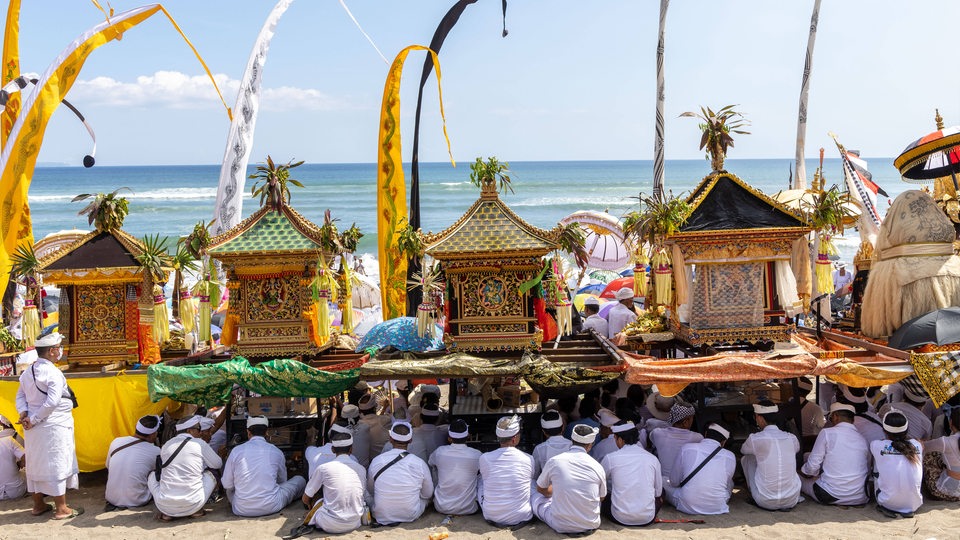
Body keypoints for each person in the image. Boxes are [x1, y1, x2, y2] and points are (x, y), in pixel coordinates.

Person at [15, 332, 81, 520]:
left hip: (34, 427)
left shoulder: (29, 371)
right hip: (52, 426)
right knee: (56, 463)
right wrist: (33, 418)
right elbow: (52, 402)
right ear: (52, 351)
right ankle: (61, 508)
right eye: (59, 348)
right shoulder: (53, 372)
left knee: (36, 464)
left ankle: (38, 505)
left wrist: (24, 414)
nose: (60, 351)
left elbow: (20, 396)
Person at [221, 416, 306, 517]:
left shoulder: (236, 451)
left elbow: (227, 484)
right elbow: (282, 481)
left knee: (229, 490)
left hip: (241, 509)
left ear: (248, 432)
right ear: (266, 432)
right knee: (300, 480)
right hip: (271, 506)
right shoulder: (276, 451)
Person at [532, 424, 607, 534]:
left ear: (572, 440)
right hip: (590, 523)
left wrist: (554, 492)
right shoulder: (597, 466)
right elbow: (601, 497)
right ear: (590, 445)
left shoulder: (555, 461)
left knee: (534, 494)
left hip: (560, 524)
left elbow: (540, 489)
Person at [148, 415, 223, 520]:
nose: (201, 432)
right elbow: (218, 464)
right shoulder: (199, 443)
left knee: (151, 475)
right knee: (212, 472)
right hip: (194, 504)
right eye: (198, 429)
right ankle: (196, 511)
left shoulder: (166, 445)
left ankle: (169, 513)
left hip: (164, 506)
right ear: (190, 430)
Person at [800, 402, 870, 506]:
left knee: (797, 478)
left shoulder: (827, 433)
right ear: (853, 420)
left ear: (836, 416)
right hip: (860, 497)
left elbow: (811, 469)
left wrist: (802, 472)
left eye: (830, 417)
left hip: (829, 495)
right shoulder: (863, 439)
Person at [302, 431, 371, 534]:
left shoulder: (323, 468)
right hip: (354, 523)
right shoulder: (361, 469)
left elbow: (306, 498)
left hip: (329, 524)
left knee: (317, 498)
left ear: (332, 449)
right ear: (351, 449)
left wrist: (309, 505)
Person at [367, 421, 433, 525]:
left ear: (390, 439)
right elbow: (428, 494)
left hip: (380, 515)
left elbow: (371, 490)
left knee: (367, 495)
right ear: (410, 440)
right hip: (410, 514)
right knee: (426, 499)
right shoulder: (419, 463)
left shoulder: (377, 461)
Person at [740, 402, 801, 511]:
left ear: (760, 418)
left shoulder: (756, 438)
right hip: (791, 499)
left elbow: (743, 450)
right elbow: (796, 450)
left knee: (748, 458)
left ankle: (753, 491)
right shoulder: (792, 438)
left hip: (764, 500)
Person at [664, 423, 736, 515]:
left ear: (705, 434)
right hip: (717, 505)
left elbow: (674, 482)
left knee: (663, 481)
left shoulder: (687, 448)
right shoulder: (730, 456)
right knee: (731, 483)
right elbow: (727, 484)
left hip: (688, 504)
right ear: (723, 442)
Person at [600, 420, 662, 526]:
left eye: (615, 438)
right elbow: (658, 493)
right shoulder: (652, 459)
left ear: (619, 439)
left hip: (619, 517)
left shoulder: (610, 458)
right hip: (647, 518)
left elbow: (598, 483)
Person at [477, 415, 535, 527]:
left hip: (492, 515)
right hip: (522, 515)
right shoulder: (528, 458)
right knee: (532, 483)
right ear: (514, 439)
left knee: (480, 481)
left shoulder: (484, 458)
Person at [871, 411, 923, 518]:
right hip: (914, 504)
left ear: (884, 430)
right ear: (907, 429)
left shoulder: (876, 445)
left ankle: (888, 501)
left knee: (879, 462)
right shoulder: (917, 445)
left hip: (887, 502)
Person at [105, 415, 162, 510]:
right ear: (152, 434)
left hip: (111, 498)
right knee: (155, 474)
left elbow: (108, 465)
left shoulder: (116, 442)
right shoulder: (155, 451)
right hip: (138, 500)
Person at [427, 419, 482, 515]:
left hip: (441, 506)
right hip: (468, 508)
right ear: (468, 436)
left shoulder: (439, 452)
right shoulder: (477, 455)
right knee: (482, 474)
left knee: (434, 468)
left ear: (449, 438)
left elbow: (430, 462)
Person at [649, 402, 702, 481]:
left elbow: (650, 440)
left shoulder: (657, 433)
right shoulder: (697, 438)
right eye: (692, 419)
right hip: (685, 482)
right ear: (685, 422)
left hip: (664, 482)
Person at [922, 406, 960, 499]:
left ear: (951, 422)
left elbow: (923, 447)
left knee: (930, 456)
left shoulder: (945, 441)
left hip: (950, 490)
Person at [532, 410, 571, 478]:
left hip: (546, 487)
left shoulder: (539, 449)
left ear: (543, 432)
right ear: (563, 427)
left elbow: (534, 474)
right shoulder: (573, 445)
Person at [357, 393, 391, 459]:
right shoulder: (384, 420)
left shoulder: (359, 424)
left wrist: (384, 408)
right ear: (375, 407)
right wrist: (385, 408)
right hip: (384, 458)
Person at [0, 414, 26, 501]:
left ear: (1, 423)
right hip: (16, 491)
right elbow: (26, 457)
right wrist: (20, 464)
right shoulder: (9, 440)